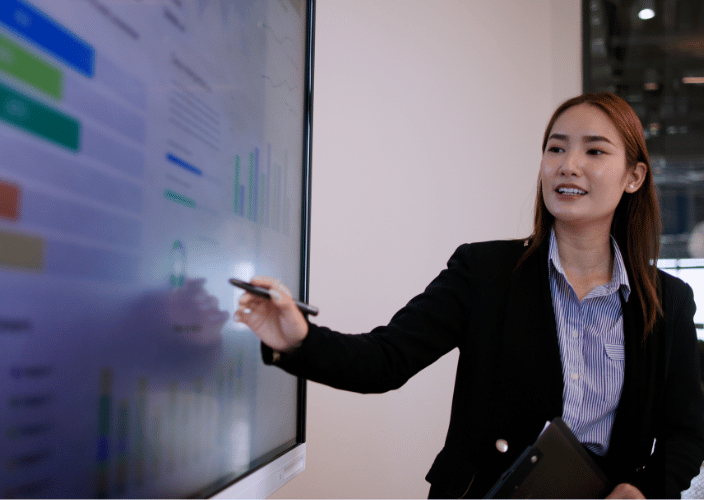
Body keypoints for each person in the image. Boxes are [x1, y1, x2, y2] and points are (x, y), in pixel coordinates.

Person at [233, 93, 704, 499]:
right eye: (555, 148)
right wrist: (299, 339)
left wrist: (644, 488)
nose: (568, 165)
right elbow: (385, 359)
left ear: (633, 176)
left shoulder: (669, 301)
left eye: (594, 151)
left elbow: (686, 432)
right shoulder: (485, 271)